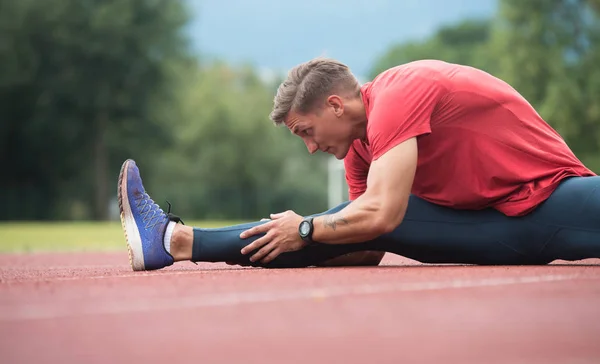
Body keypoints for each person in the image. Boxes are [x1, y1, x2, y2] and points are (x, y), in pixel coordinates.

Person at [118, 57, 600, 271]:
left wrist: (304, 230)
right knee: (344, 221)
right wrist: (291, 244)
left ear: (335, 105)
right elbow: (364, 240)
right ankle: (174, 244)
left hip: (553, 198)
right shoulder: (360, 151)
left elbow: (382, 217)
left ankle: (177, 241)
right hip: (497, 224)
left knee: (362, 215)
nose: (308, 148)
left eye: (306, 131)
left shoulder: (399, 92)